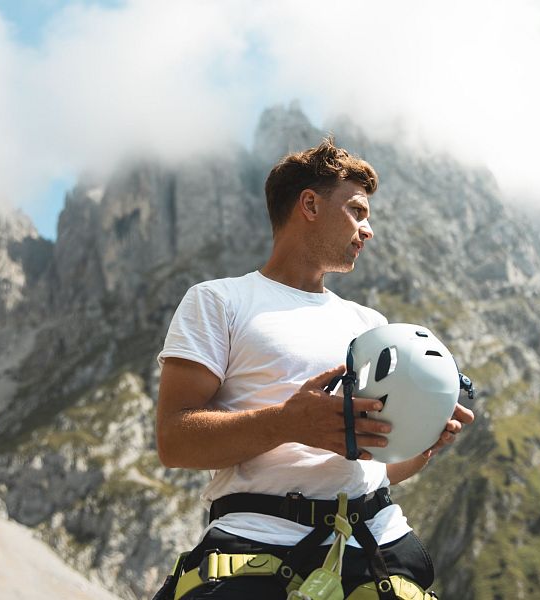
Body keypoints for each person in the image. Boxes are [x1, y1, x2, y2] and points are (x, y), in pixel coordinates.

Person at [155, 137, 476, 599]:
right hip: (257, 550)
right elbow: (174, 440)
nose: (368, 230)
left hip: (380, 548)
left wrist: (424, 441)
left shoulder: (371, 324)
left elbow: (376, 469)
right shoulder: (218, 301)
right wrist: (287, 423)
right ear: (309, 203)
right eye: (358, 211)